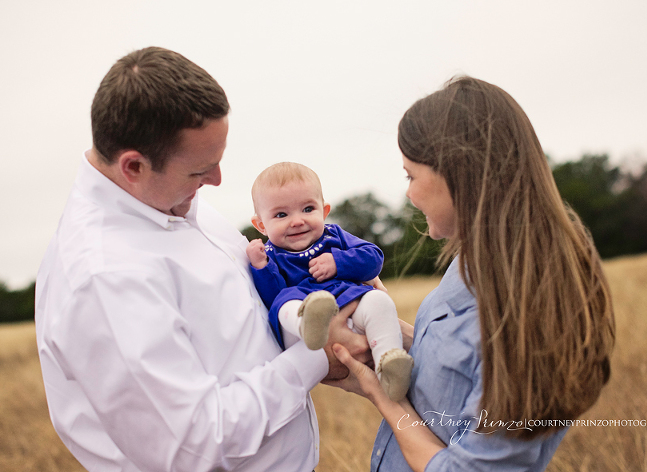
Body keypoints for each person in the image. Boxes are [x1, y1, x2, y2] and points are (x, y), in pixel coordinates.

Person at [34, 46, 370, 472]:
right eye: (199, 170)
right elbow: (194, 447)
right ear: (133, 167)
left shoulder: (173, 201)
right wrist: (316, 357)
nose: (216, 180)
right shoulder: (104, 277)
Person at [328, 76, 616, 471]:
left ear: (459, 174)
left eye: (411, 176)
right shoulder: (470, 268)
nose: (409, 194)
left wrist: (382, 396)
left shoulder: (535, 316)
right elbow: (456, 363)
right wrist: (381, 331)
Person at [245, 162, 414, 401]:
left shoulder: (334, 235)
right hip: (302, 330)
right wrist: (261, 267)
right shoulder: (270, 255)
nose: (297, 221)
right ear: (261, 225)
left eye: (307, 209)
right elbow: (272, 297)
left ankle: (389, 363)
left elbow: (374, 258)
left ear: (324, 212)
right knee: (284, 304)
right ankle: (308, 322)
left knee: (378, 299)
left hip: (347, 303)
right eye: (281, 214)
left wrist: (338, 261)